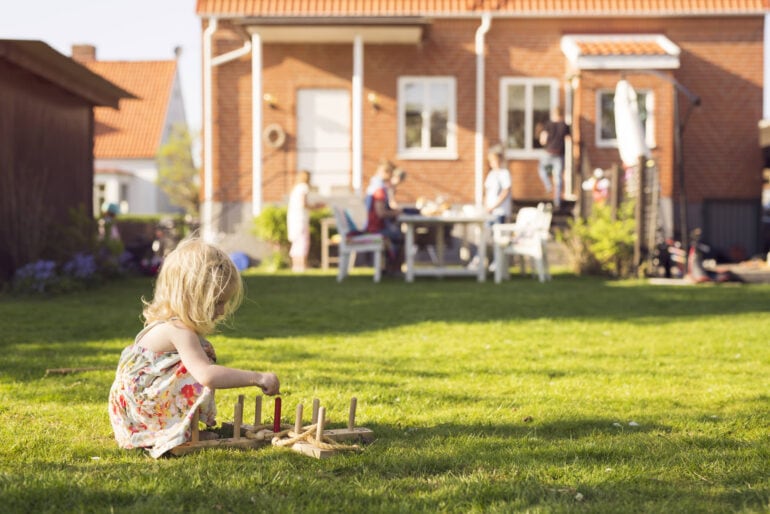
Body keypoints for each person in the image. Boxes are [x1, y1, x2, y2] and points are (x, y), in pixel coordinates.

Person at [108, 237, 280, 458]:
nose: (222, 311)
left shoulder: (168, 323)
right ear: (191, 298)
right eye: (217, 302)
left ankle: (174, 430)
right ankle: (174, 433)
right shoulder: (179, 330)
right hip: (144, 410)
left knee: (198, 358)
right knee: (198, 369)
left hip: (132, 414)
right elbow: (207, 376)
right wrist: (257, 377)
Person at [365, 159, 404, 274]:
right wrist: (396, 213)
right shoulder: (379, 189)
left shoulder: (375, 186)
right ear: (387, 172)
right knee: (401, 237)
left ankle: (390, 268)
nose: (392, 177)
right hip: (376, 228)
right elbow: (380, 213)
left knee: (397, 235)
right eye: (391, 174)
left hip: (374, 226)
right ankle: (393, 269)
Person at [287, 170, 322, 272]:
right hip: (300, 220)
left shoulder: (295, 188)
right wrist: (316, 206)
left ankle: (295, 266)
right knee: (303, 242)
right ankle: (302, 266)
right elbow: (304, 203)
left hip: (294, 219)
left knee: (296, 243)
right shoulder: (303, 187)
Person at [538, 106, 571, 209]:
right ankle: (557, 201)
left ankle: (548, 185)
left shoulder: (548, 125)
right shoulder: (565, 125)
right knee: (558, 178)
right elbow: (569, 139)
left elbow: (543, 140)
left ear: (554, 114)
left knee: (542, 169)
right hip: (559, 154)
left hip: (548, 152)